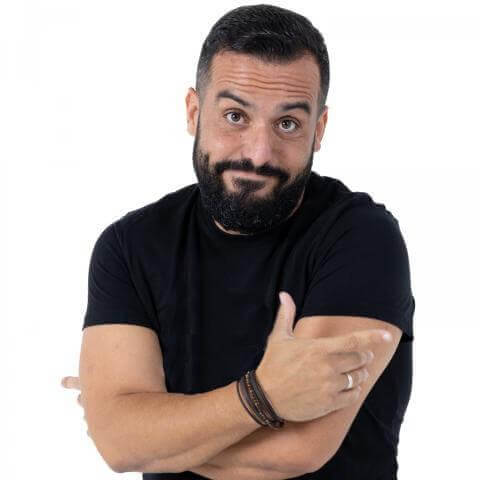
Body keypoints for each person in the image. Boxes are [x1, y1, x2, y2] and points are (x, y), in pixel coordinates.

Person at [61, 4, 415, 479]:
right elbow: (119, 443)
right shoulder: (129, 246)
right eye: (235, 116)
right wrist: (265, 396)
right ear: (194, 112)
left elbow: (294, 450)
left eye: (288, 124)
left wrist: (142, 434)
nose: (258, 153)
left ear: (319, 130)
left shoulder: (361, 238)